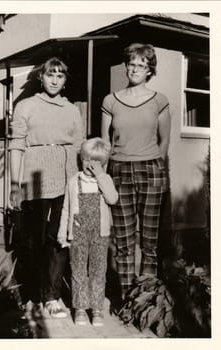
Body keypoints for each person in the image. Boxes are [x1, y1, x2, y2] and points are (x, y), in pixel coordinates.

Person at [9, 57, 83, 319]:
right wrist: (15, 185)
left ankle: (51, 297)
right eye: (50, 74)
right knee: (32, 240)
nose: (54, 80)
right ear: (41, 77)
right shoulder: (25, 106)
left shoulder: (72, 110)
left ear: (65, 80)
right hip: (34, 178)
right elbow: (17, 145)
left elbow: (78, 147)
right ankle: (31, 295)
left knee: (59, 238)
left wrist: (79, 186)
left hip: (65, 178)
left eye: (60, 75)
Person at [101, 43, 171, 301]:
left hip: (151, 171)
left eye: (141, 65)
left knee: (150, 242)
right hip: (119, 170)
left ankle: (147, 299)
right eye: (131, 64)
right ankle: (126, 299)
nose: (135, 69)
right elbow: (105, 143)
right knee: (124, 242)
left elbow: (164, 141)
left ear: (149, 70)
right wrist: (102, 176)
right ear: (126, 66)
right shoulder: (110, 100)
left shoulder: (159, 100)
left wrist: (156, 165)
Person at [58, 138, 118, 326]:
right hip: (78, 233)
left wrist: (100, 176)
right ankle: (81, 309)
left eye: (95, 162)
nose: (89, 165)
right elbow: (66, 209)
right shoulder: (74, 181)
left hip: (100, 235)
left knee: (99, 271)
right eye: (86, 160)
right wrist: (62, 233)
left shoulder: (105, 180)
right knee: (78, 271)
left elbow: (113, 198)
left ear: (103, 164)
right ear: (81, 159)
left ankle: (97, 309)